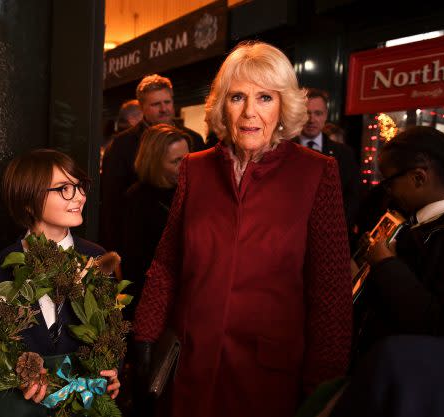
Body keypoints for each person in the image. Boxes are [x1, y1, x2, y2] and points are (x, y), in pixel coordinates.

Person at [133, 41, 352, 417]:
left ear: (284, 105)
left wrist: (322, 390)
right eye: (238, 97)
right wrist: (144, 336)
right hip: (190, 366)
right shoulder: (194, 169)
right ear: (223, 105)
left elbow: (330, 293)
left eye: (265, 97)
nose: (250, 112)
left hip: (268, 376)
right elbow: (168, 262)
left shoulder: (316, 173)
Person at [0, 149, 120, 417]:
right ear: (28, 201)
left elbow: (112, 329)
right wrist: (15, 370)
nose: (79, 196)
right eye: (64, 188)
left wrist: (113, 367)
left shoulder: (97, 259)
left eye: (79, 186)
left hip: (86, 405)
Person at [356, 126, 444, 357]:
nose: (388, 191)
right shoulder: (412, 222)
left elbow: (440, 323)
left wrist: (387, 265)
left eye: (389, 181)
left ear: (418, 177)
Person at [100, 74, 206, 252]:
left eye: (167, 102)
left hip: (189, 240)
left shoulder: (194, 140)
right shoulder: (122, 145)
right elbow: (112, 204)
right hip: (140, 241)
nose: (164, 109)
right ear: (142, 107)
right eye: (156, 104)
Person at [122, 124, 191, 317]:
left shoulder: (194, 190)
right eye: (176, 161)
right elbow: (135, 261)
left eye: (187, 158)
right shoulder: (137, 198)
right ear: (154, 162)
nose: (184, 166)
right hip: (154, 297)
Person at [294, 89, 360, 231]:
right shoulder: (284, 149)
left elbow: (352, 198)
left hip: (331, 232)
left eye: (318, 113)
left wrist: (337, 229)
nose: (312, 120)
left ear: (326, 116)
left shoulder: (344, 154)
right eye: (306, 113)